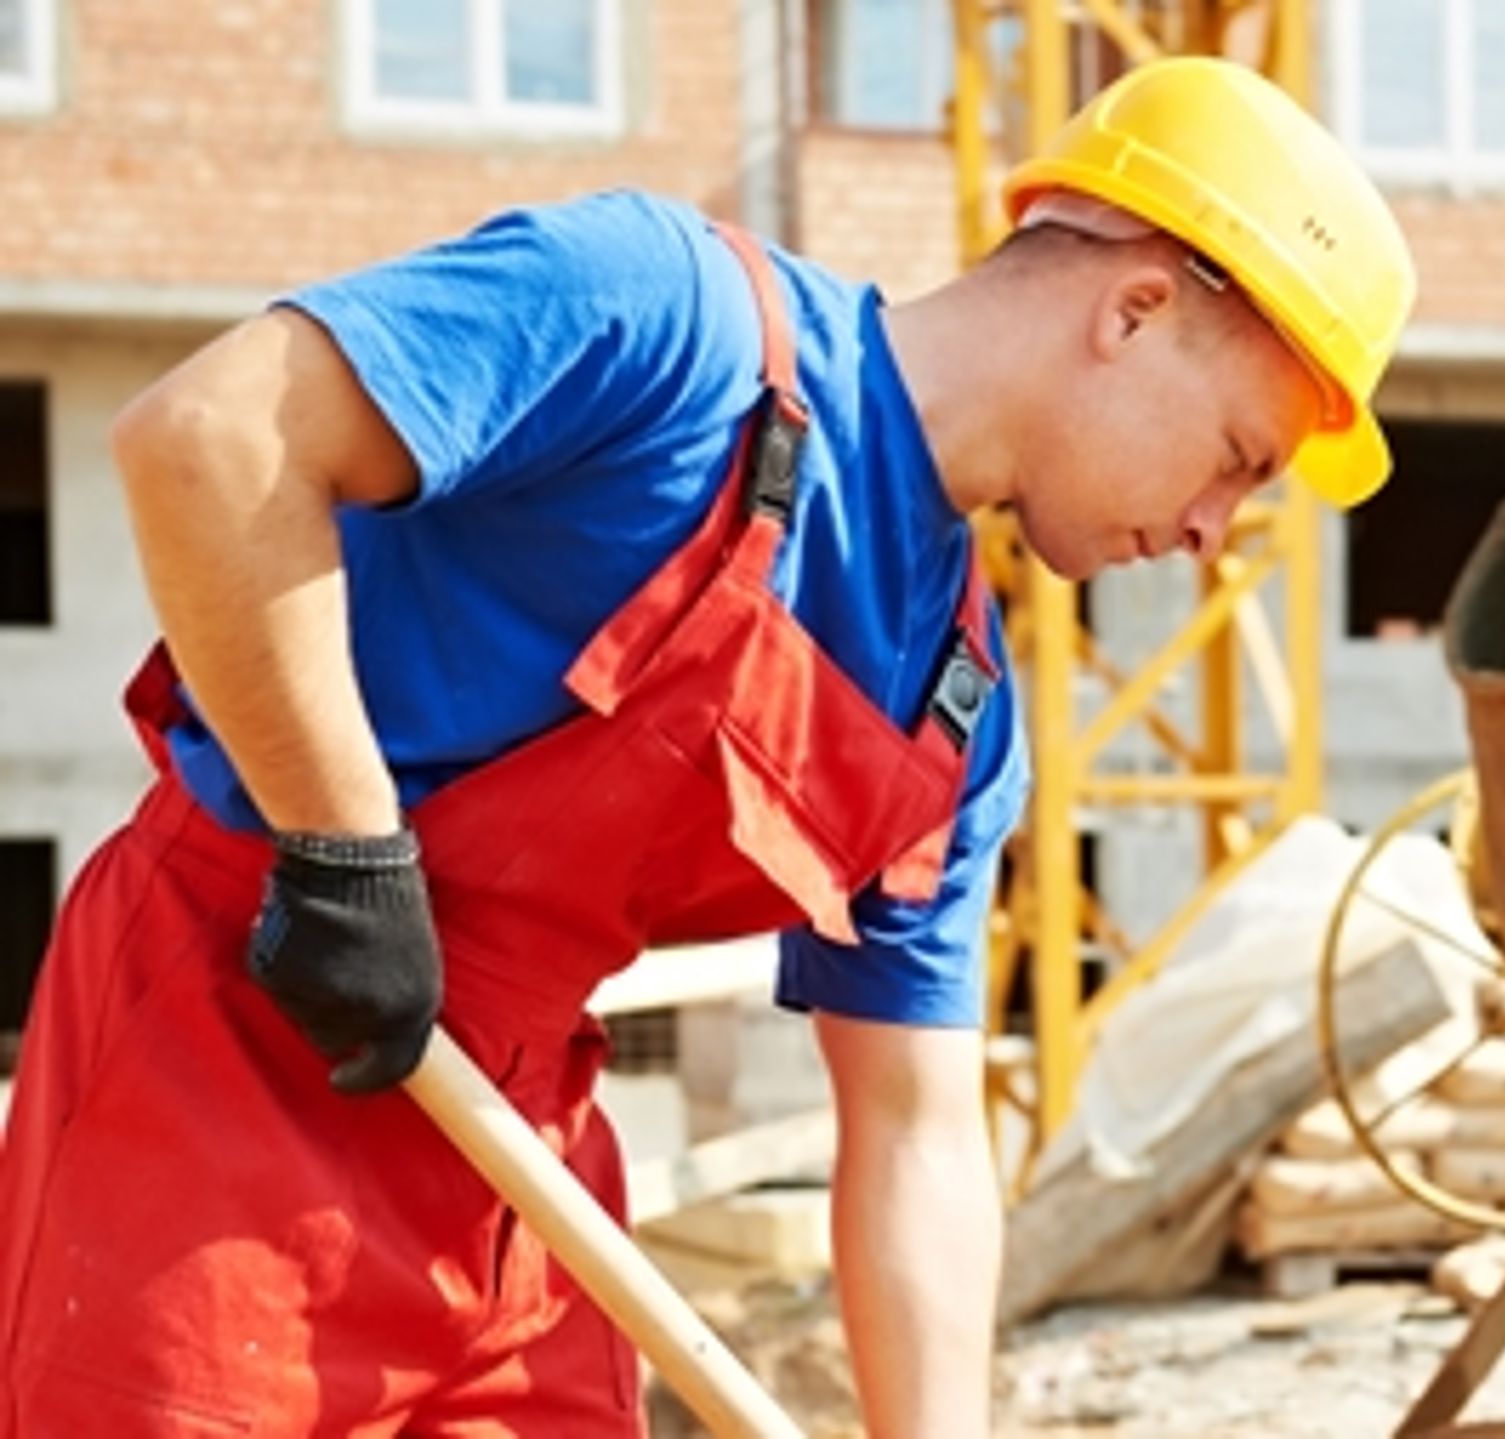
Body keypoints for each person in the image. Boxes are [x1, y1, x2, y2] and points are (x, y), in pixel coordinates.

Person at [0, 56, 1416, 1438]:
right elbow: (210, 440)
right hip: (228, 1068)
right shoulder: (664, 317)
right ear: (1138, 309)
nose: (1211, 531)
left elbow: (916, 1134)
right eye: (1239, 457)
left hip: (514, 1172)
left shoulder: (958, 715)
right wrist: (345, 846)